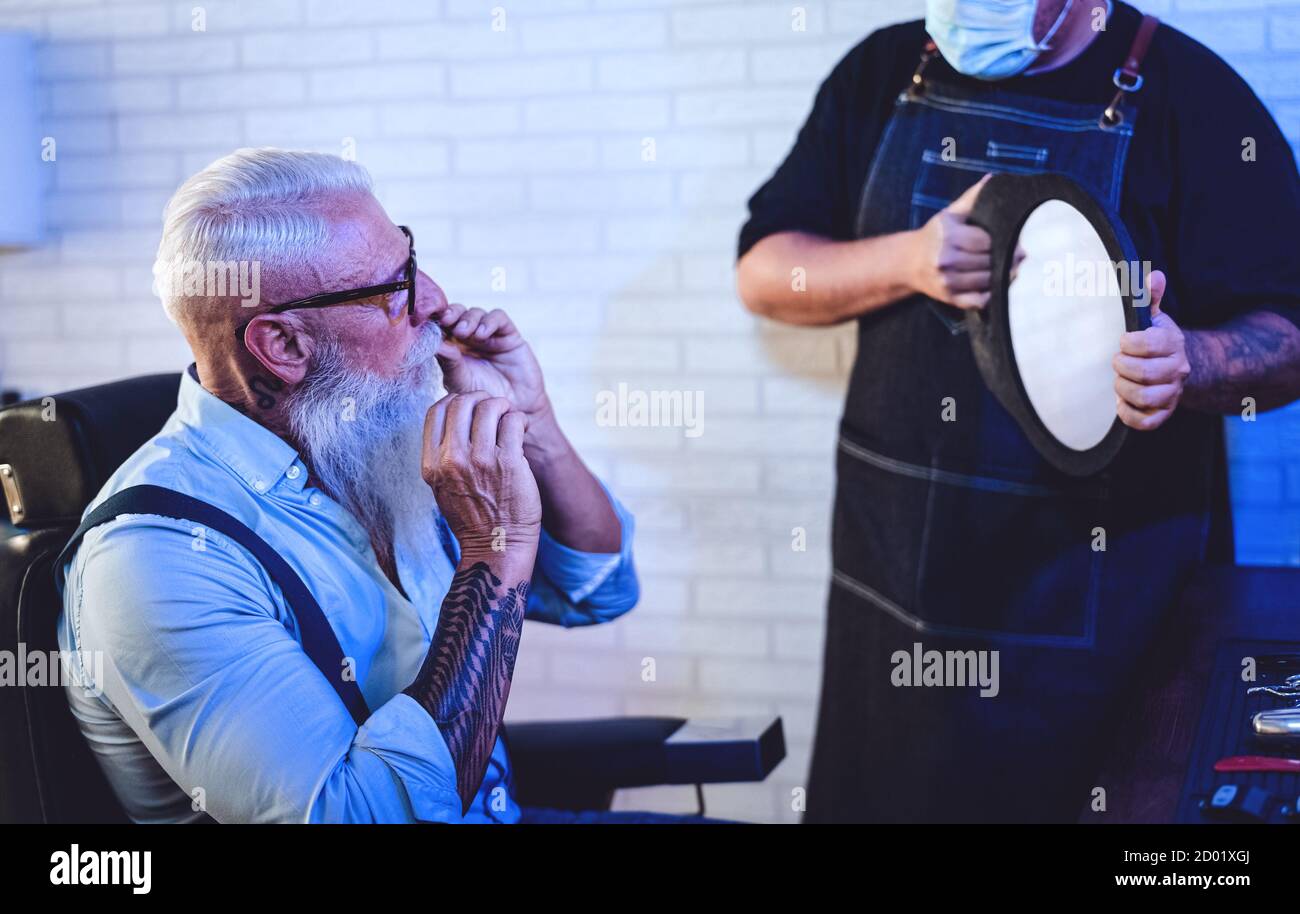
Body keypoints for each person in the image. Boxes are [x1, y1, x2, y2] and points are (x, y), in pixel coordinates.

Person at [736, 0, 1300, 822]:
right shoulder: (884, 73)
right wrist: (908, 258)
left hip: (1104, 622)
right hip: (898, 604)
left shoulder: (1192, 95)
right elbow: (764, 272)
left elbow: (1287, 337)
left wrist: (1195, 361)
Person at [57, 147, 649, 823]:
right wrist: (494, 549)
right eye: (394, 288)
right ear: (283, 347)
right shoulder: (154, 559)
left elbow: (601, 587)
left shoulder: (377, 440)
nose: (433, 301)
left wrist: (531, 420)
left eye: (413, 261)